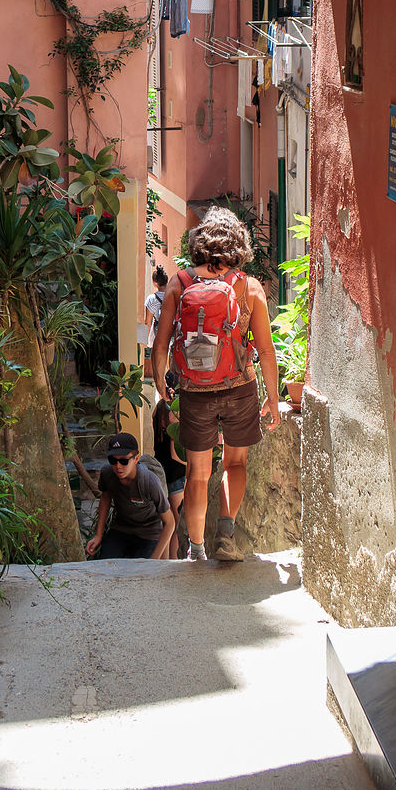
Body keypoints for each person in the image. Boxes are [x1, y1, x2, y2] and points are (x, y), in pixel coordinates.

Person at [151, 207, 280, 563]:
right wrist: (272, 398)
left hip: (195, 390)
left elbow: (161, 343)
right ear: (238, 243)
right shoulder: (249, 286)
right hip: (239, 387)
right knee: (235, 464)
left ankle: (196, 550)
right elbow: (266, 352)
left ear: (200, 242)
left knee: (196, 473)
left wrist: (162, 383)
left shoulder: (180, 281)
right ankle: (225, 535)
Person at [85, 432, 175, 560]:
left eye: (124, 461)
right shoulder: (107, 473)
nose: (118, 466)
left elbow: (170, 522)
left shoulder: (149, 482)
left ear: (136, 459)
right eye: (113, 460)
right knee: (105, 566)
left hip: (149, 534)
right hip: (121, 530)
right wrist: (98, 535)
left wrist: (154, 560)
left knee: (140, 572)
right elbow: (105, 497)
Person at [152, 385, 187, 559]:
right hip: (177, 477)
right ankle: (173, 561)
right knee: (175, 525)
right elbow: (175, 454)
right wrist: (193, 463)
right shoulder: (173, 424)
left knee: (168, 523)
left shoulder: (157, 416)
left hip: (163, 474)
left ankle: (167, 560)